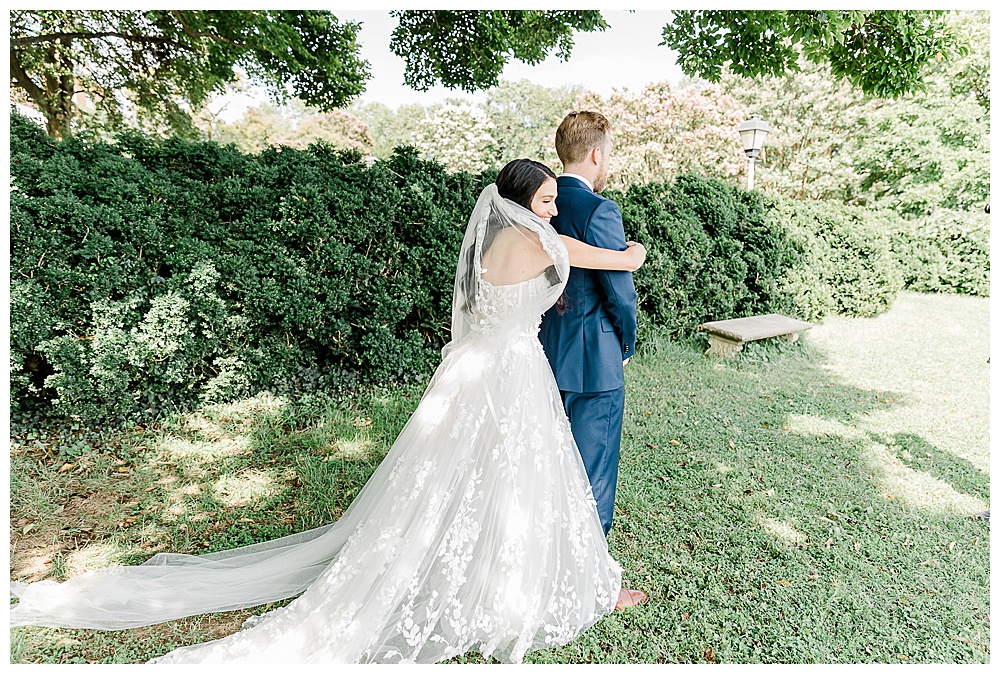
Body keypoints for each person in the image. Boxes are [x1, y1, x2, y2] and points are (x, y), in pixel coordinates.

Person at [10, 159, 646, 663]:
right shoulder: (538, 244)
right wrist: (630, 258)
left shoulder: (491, 245)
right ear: (517, 203)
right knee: (514, 477)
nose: (554, 208)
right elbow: (593, 257)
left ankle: (490, 572)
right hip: (509, 373)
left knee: (471, 478)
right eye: (544, 201)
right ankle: (523, 589)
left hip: (477, 369)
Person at [538, 111, 647, 609]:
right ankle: (589, 587)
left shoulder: (535, 203)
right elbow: (619, 292)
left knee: (547, 466)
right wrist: (625, 343)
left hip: (540, 354)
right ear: (598, 153)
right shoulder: (598, 209)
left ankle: (542, 564)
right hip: (592, 360)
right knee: (593, 471)